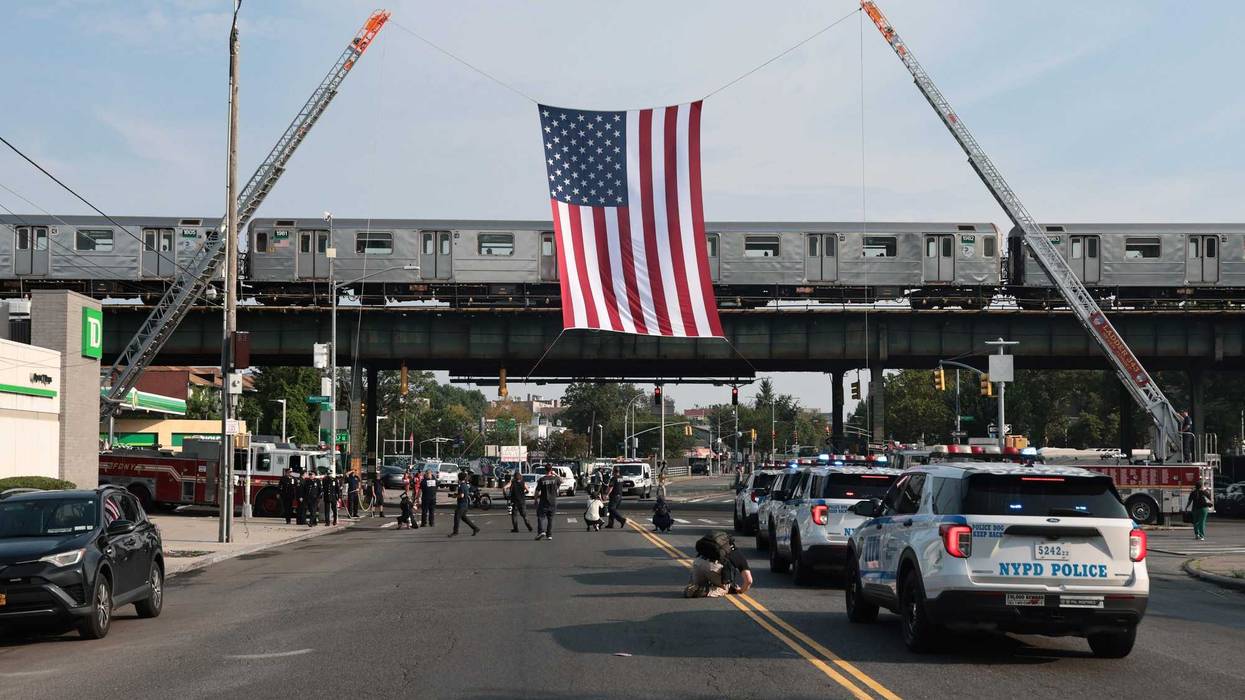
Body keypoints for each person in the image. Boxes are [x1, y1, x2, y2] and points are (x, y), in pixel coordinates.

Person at [449, 471, 479, 537]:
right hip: (465, 504)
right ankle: (475, 528)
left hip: (461, 505)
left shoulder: (461, 486)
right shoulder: (465, 485)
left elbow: (461, 495)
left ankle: (455, 532)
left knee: (456, 518)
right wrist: (455, 495)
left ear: (459, 478)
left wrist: (455, 496)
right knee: (464, 518)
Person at [534, 465, 560, 541]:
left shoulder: (541, 480)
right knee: (550, 519)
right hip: (553, 502)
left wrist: (535, 500)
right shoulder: (555, 479)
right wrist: (555, 474)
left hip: (543, 501)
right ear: (551, 470)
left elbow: (537, 491)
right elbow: (562, 480)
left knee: (540, 517)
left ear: (545, 470)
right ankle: (549, 535)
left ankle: (541, 531)